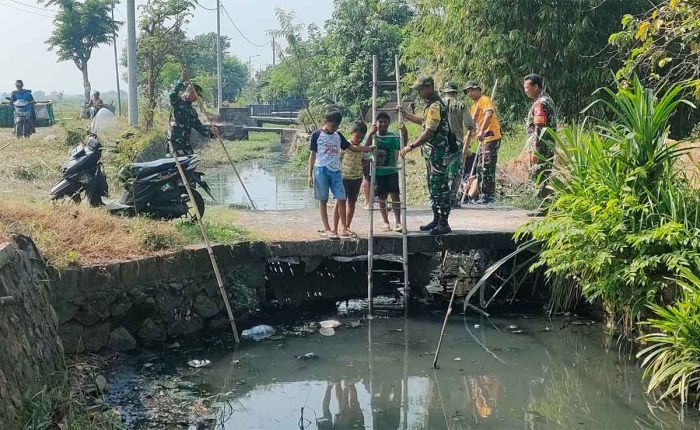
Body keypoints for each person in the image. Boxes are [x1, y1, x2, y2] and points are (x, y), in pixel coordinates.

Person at [399, 76, 454, 235]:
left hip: (438, 153)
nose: (419, 93)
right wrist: (407, 115)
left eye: (420, 90)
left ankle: (444, 223)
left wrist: (411, 146)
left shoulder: (435, 106)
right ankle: (436, 219)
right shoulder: (431, 106)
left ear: (429, 87)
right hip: (432, 154)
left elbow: (429, 131)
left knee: (440, 187)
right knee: (433, 186)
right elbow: (425, 122)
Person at [308, 110, 373, 239]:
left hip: (336, 171)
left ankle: (344, 228)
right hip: (321, 170)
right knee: (323, 200)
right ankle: (327, 229)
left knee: (342, 198)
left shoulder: (338, 135)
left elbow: (351, 147)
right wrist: (309, 175)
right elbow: (313, 155)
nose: (334, 128)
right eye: (332, 126)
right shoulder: (316, 135)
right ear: (325, 122)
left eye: (337, 126)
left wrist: (366, 148)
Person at [365, 112, 408, 232]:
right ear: (376, 123)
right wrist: (370, 133)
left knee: (395, 196)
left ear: (389, 123)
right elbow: (365, 146)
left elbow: (403, 145)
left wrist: (405, 132)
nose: (383, 124)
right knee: (381, 198)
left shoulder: (393, 136)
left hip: (391, 171)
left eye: (385, 122)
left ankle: (398, 222)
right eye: (380, 122)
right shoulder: (373, 137)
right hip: (378, 172)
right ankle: (385, 222)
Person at [464, 81, 502, 204]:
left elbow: (489, 114)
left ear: (478, 90)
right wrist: (469, 136)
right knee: (481, 167)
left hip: (490, 137)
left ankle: (488, 195)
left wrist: (482, 130)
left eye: (472, 90)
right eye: (468, 91)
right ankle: (482, 194)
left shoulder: (485, 100)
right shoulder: (474, 107)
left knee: (487, 166)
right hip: (483, 139)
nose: (470, 93)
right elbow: (474, 125)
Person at [441, 81, 476, 207]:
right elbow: (470, 125)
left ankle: (441, 198)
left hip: (440, 142)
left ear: (444, 92)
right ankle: (452, 199)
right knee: (455, 171)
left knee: (441, 170)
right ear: (456, 92)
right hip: (456, 141)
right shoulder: (461, 105)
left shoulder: (437, 104)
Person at [168, 70, 218, 156]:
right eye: (197, 96)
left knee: (190, 160)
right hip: (175, 142)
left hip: (186, 142)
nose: (197, 99)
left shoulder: (192, 111)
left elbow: (199, 127)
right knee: (176, 165)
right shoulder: (177, 102)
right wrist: (181, 80)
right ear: (191, 92)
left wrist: (211, 132)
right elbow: (172, 94)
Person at [523, 73, 557, 198]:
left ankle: (540, 206)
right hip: (547, 147)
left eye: (527, 87)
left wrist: (536, 151)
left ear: (536, 87)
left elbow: (539, 129)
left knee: (538, 176)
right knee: (544, 175)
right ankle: (545, 205)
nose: (525, 91)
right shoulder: (547, 99)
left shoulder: (540, 104)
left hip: (541, 148)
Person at [333, 121, 368, 236]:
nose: (359, 140)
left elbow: (363, 161)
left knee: (352, 203)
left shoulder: (362, 148)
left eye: (362, 138)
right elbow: (337, 160)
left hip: (357, 179)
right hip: (343, 178)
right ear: (351, 133)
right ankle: (335, 227)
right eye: (357, 137)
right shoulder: (344, 146)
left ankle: (347, 226)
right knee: (339, 202)